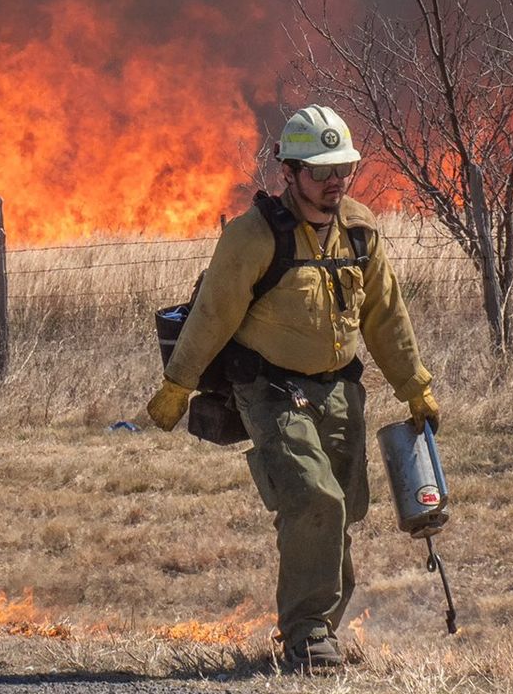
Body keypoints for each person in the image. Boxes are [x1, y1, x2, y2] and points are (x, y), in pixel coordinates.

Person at [145, 104, 439, 672]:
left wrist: (415, 387)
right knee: (313, 498)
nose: (335, 182)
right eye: (322, 171)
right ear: (290, 172)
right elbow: (213, 314)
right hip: (270, 389)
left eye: (343, 170)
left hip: (338, 391)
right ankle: (306, 634)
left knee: (344, 507)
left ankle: (322, 626)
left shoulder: (360, 230)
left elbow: (385, 317)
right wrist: (178, 384)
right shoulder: (254, 237)